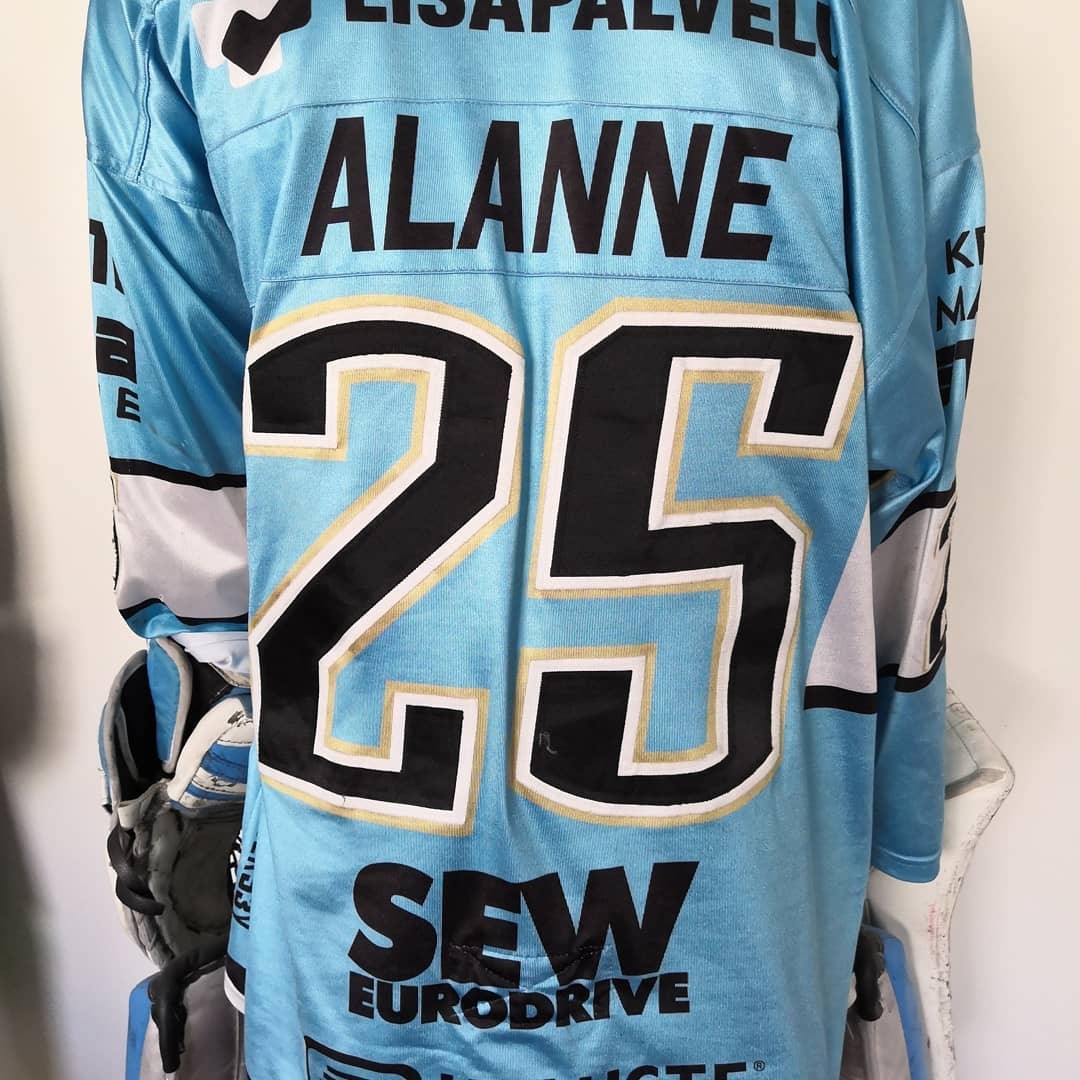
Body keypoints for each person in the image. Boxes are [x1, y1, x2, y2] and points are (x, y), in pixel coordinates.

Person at [81, 1, 985, 1077]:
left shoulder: (168, 16)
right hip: (742, 925)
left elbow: (192, 536)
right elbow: (906, 491)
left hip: (345, 953)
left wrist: (209, 873)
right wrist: (897, 832)